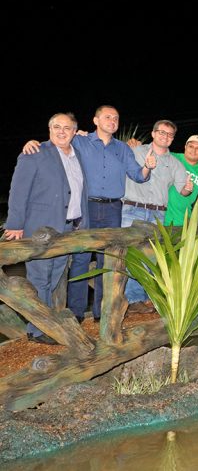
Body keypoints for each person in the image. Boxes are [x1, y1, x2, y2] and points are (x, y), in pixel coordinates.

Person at [22, 105, 155, 323]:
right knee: (81, 259)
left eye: (116, 118)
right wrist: (32, 143)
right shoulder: (80, 140)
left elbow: (138, 176)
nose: (112, 120)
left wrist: (148, 167)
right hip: (86, 206)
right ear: (95, 120)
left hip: (113, 209)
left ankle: (101, 312)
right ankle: (76, 311)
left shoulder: (122, 149)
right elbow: (56, 143)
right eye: (107, 117)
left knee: (107, 260)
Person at [6, 113, 90, 343]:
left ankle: (45, 321)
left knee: (54, 276)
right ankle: (37, 330)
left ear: (74, 131)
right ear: (49, 128)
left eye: (67, 128)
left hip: (67, 229)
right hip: (40, 229)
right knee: (39, 279)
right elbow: (18, 191)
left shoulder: (77, 155)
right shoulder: (34, 153)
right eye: (56, 126)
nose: (61, 131)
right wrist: (15, 224)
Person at [122, 120, 192, 312]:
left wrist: (187, 189)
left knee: (152, 257)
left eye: (169, 135)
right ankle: (132, 298)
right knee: (130, 255)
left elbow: (182, 190)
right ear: (153, 133)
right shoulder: (135, 152)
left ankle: (146, 296)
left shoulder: (176, 164)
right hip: (132, 209)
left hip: (157, 212)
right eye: (161, 132)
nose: (165, 137)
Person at [164, 135, 198, 227]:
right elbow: (155, 151)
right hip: (161, 213)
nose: (193, 150)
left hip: (183, 218)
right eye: (191, 146)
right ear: (185, 147)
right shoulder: (172, 157)